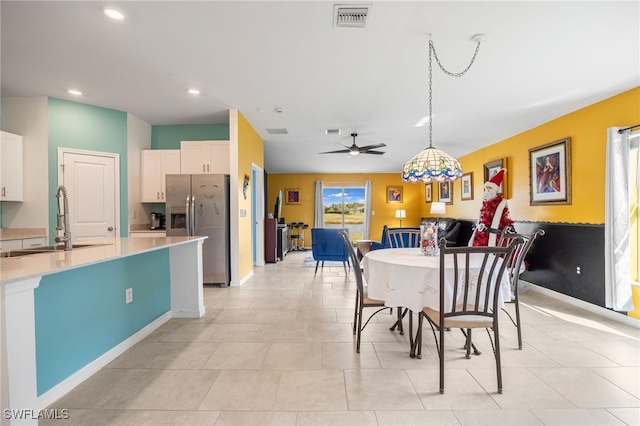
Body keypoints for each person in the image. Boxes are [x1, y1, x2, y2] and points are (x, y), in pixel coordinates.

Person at [469, 169, 514, 246]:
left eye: (490, 189)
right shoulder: (485, 203)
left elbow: (503, 220)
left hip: (496, 237)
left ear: (495, 190)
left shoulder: (502, 202)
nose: (487, 191)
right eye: (486, 189)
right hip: (481, 236)